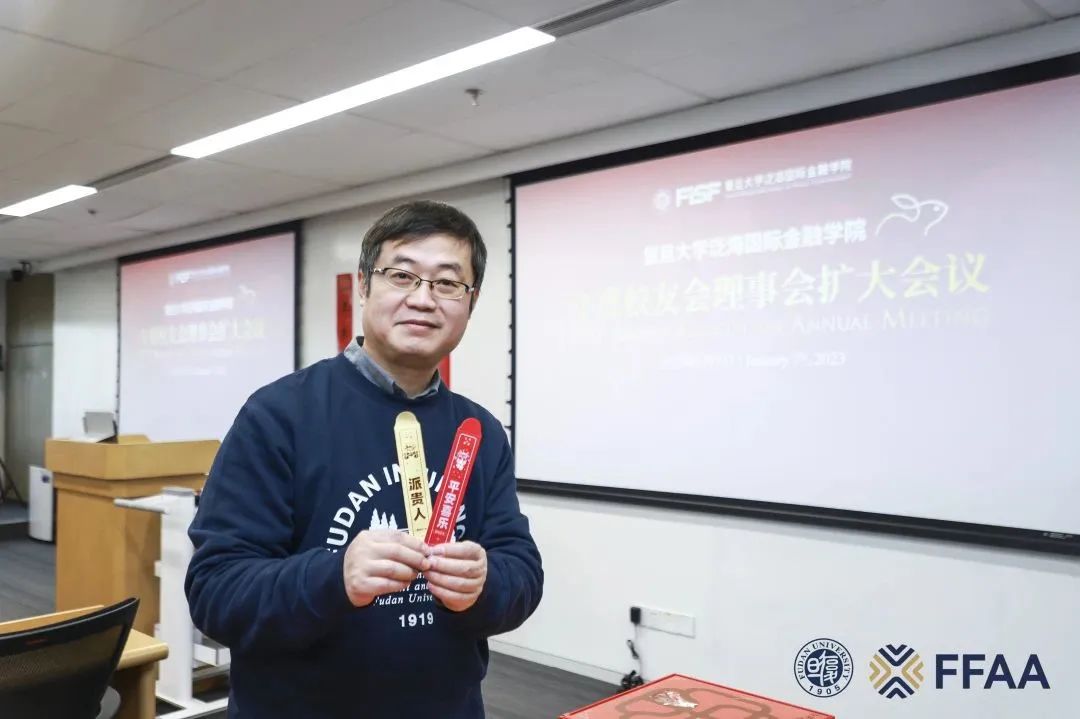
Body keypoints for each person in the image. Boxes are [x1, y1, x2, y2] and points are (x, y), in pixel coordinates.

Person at [185, 200, 544, 718]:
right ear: (363, 285)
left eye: (448, 283)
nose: (423, 299)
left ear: (471, 302)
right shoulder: (279, 414)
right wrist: (336, 577)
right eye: (402, 275)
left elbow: (522, 571)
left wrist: (486, 584)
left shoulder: (480, 431)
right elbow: (215, 592)